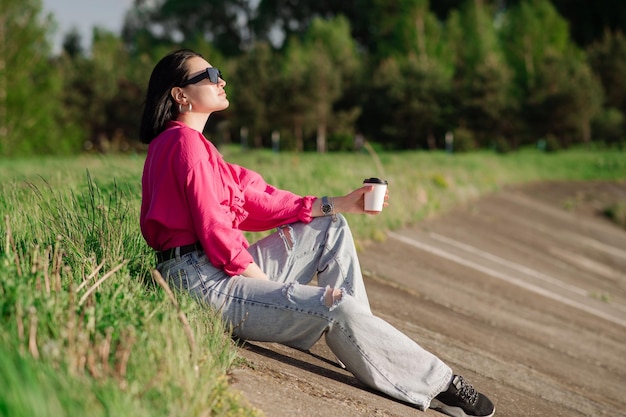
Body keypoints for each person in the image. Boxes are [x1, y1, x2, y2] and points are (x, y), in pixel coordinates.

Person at [139, 49, 495, 417]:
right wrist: (266, 285)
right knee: (335, 304)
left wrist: (339, 204)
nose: (221, 80)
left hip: (211, 271)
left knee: (331, 227)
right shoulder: (184, 147)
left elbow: (258, 199)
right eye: (209, 75)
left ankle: (362, 345)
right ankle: (439, 383)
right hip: (202, 283)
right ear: (180, 95)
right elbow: (217, 233)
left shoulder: (195, 146)